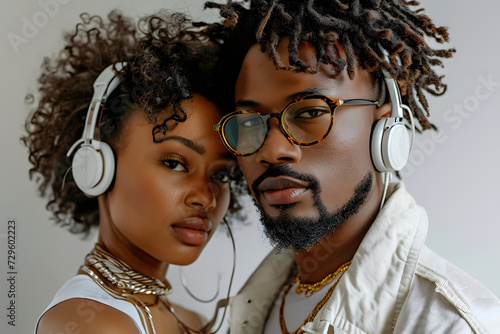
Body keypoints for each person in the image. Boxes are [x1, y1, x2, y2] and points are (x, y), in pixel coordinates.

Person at [207, 0, 500, 333]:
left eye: (309, 112)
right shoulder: (254, 307)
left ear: (385, 127)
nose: (272, 151)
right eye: (249, 123)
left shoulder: (448, 324)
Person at [23, 10, 243, 334]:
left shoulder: (190, 321)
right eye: (174, 163)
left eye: (221, 175)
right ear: (96, 166)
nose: (206, 197)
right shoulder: (95, 325)